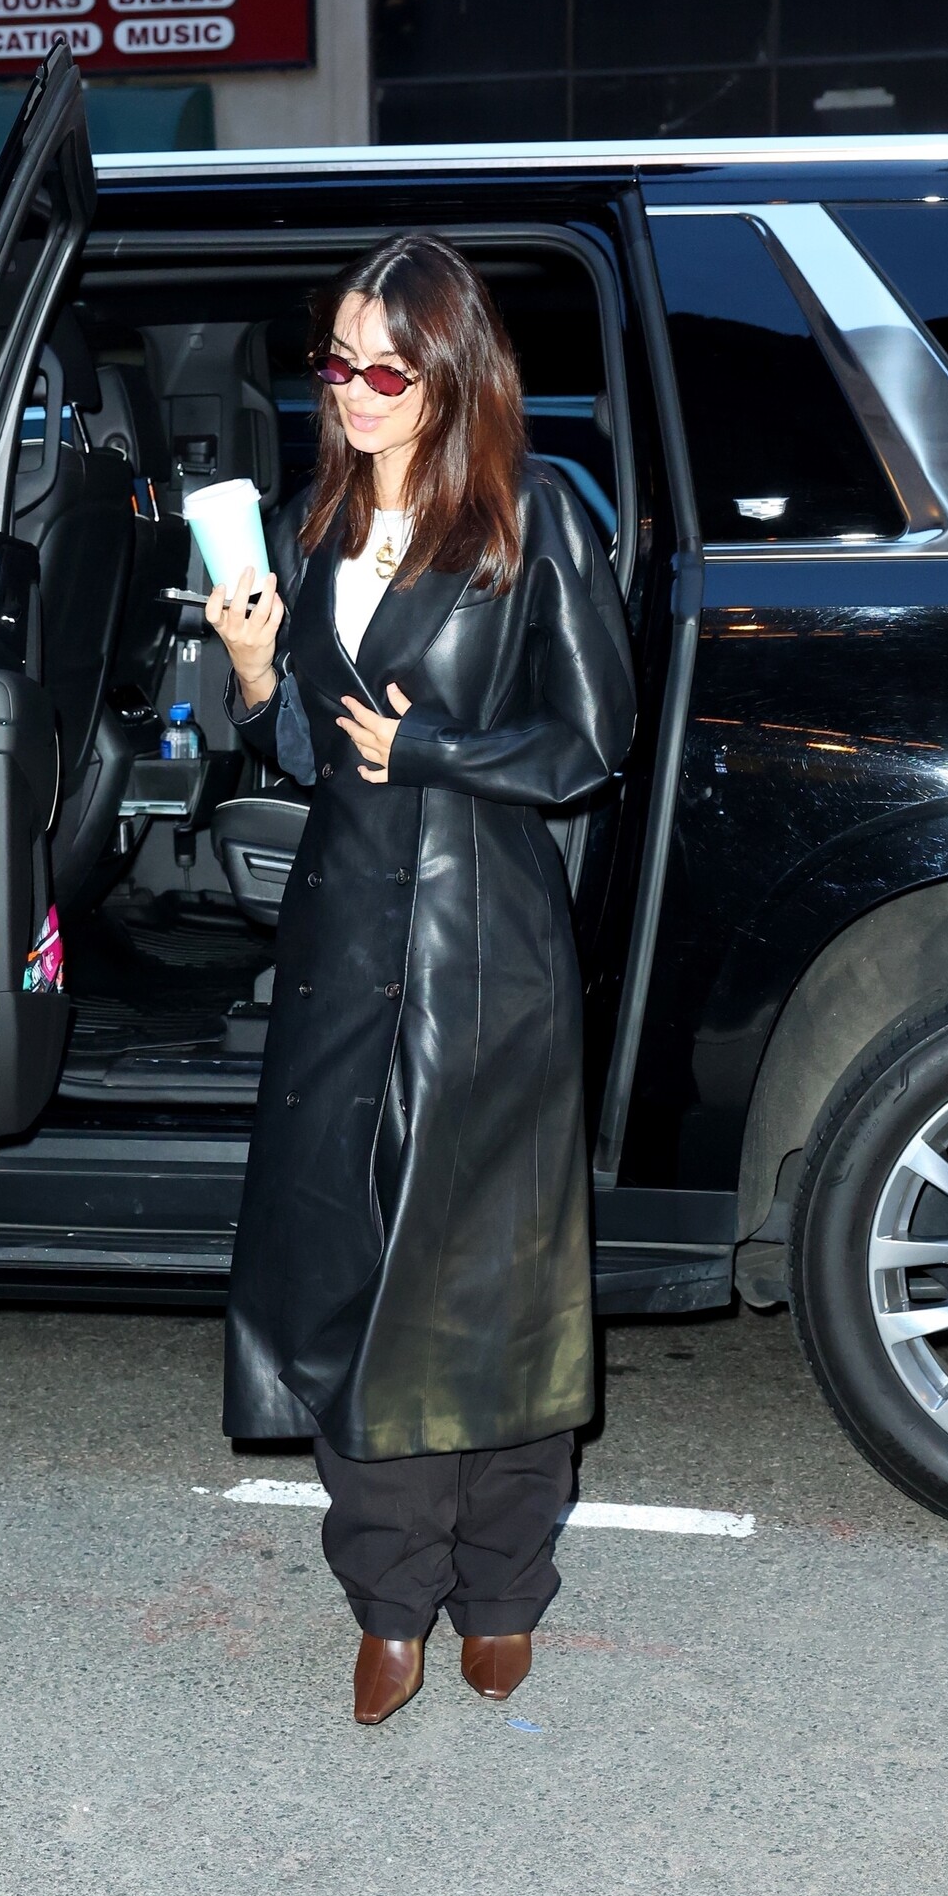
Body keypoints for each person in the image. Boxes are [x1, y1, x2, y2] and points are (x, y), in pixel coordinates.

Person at [207, 233, 636, 1725]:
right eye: (336, 361)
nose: (352, 390)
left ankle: (503, 1587)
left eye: (385, 370)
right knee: (346, 1269)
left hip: (485, 952)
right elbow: (307, 747)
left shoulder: (530, 513)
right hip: (341, 946)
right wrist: (255, 674)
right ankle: (389, 1599)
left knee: (493, 1284)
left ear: (452, 372)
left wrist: (434, 748)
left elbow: (594, 742)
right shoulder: (315, 519)